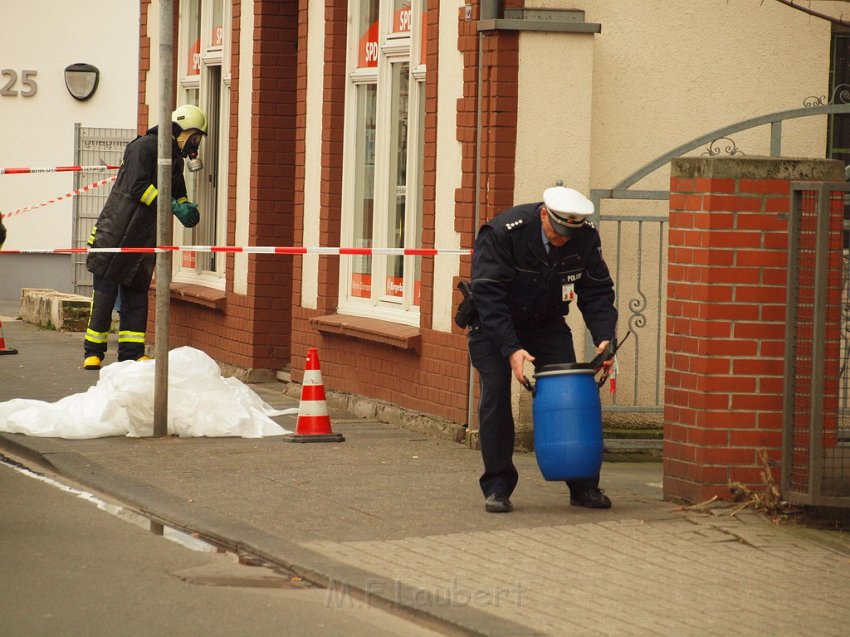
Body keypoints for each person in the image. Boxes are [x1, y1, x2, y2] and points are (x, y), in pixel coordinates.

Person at [467, 186, 618, 513]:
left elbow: (596, 292)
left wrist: (605, 338)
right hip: (493, 323)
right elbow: (488, 295)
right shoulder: (505, 232)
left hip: (545, 323)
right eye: (557, 232)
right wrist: (512, 348)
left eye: (569, 234)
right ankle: (497, 487)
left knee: (570, 392)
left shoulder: (584, 237)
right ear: (543, 215)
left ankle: (583, 486)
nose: (563, 240)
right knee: (495, 394)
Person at [82, 104, 207, 370]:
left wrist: (186, 208)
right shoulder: (144, 148)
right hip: (115, 235)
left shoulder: (175, 159)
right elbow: (137, 186)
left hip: (142, 239)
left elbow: (177, 190)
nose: (194, 144)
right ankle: (93, 352)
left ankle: (131, 353)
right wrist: (171, 206)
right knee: (104, 297)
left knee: (137, 298)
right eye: (194, 137)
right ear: (181, 130)